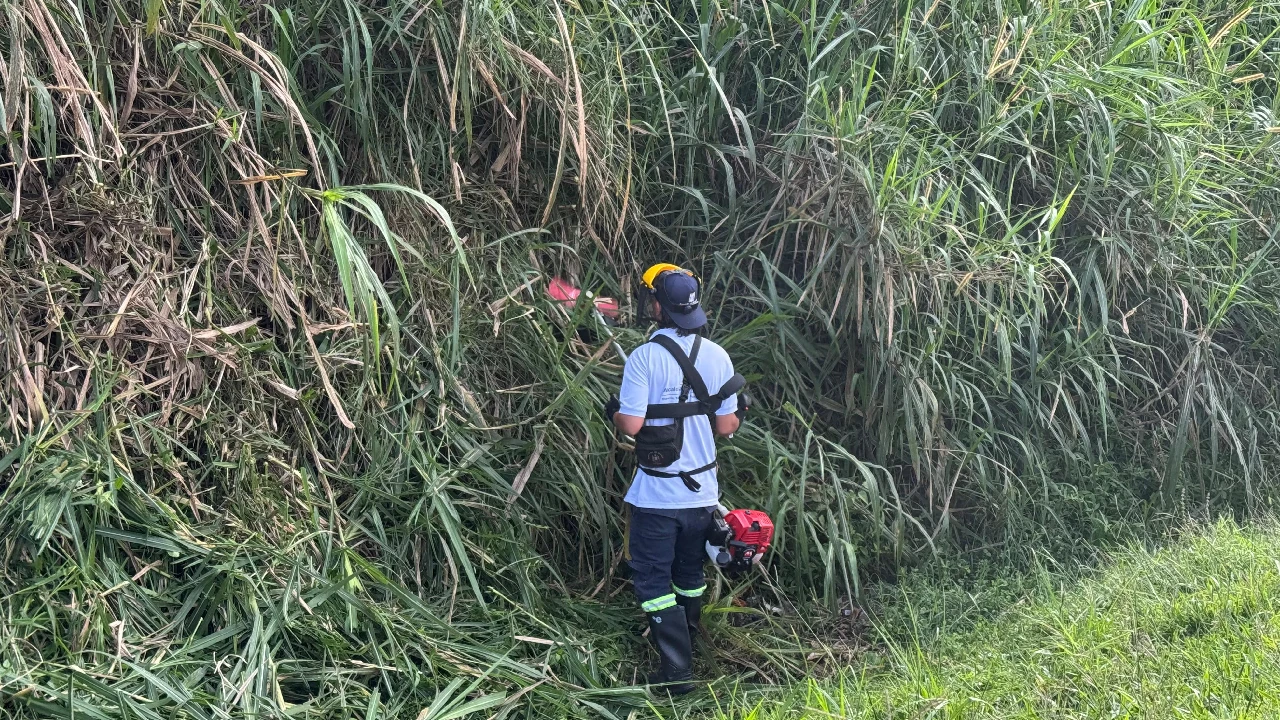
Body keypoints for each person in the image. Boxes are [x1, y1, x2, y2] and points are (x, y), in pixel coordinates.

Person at [601, 263, 743, 694]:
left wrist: (614, 409)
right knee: (688, 573)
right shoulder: (718, 355)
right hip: (703, 495)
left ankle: (677, 675)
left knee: (651, 580)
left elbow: (630, 424)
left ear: (657, 307)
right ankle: (689, 648)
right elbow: (727, 426)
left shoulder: (645, 357)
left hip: (658, 495)